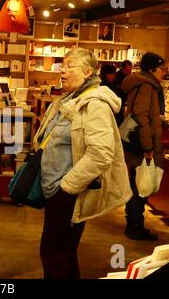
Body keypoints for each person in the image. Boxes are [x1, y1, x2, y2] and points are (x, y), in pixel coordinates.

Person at [33, 48, 132, 279]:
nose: (62, 71)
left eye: (69, 66)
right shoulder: (68, 99)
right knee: (62, 253)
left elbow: (101, 153)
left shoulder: (95, 105)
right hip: (56, 191)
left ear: (88, 72)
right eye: (62, 65)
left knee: (54, 254)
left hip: (67, 193)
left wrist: (67, 187)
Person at [121, 52, 166, 241]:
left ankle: (133, 221)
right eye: (162, 68)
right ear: (152, 69)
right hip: (142, 145)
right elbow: (141, 116)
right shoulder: (147, 86)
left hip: (137, 143)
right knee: (141, 185)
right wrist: (148, 147)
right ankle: (135, 225)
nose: (164, 72)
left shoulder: (143, 83)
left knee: (137, 183)